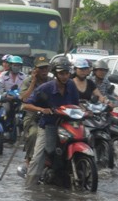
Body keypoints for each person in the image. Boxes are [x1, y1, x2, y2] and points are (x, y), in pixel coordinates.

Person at [23, 57, 80, 186]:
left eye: (66, 73)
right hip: (49, 125)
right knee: (38, 157)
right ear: (55, 74)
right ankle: (30, 186)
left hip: (68, 124)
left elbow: (76, 105)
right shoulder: (45, 88)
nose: (65, 77)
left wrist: (86, 111)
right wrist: (42, 109)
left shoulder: (71, 85)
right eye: (61, 73)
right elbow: (26, 105)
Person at [19, 56, 52, 170]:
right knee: (33, 134)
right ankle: (29, 159)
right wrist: (33, 83)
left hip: (50, 115)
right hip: (33, 116)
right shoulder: (28, 81)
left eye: (46, 68)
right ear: (35, 69)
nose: (44, 71)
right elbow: (24, 99)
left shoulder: (52, 82)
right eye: (41, 68)